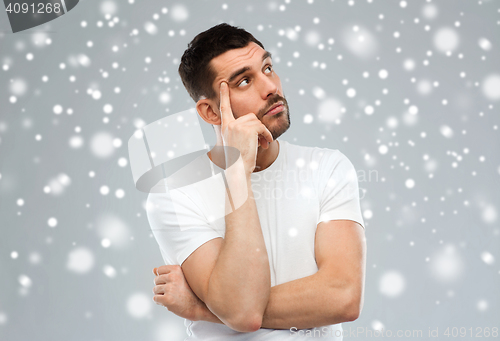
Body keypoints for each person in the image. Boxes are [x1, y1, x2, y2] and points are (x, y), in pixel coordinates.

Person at [146, 23, 366, 340]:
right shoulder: (173, 194)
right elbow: (243, 312)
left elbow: (343, 297)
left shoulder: (328, 167)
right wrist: (237, 171)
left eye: (268, 68)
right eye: (245, 81)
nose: (270, 87)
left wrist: (203, 307)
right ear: (210, 112)